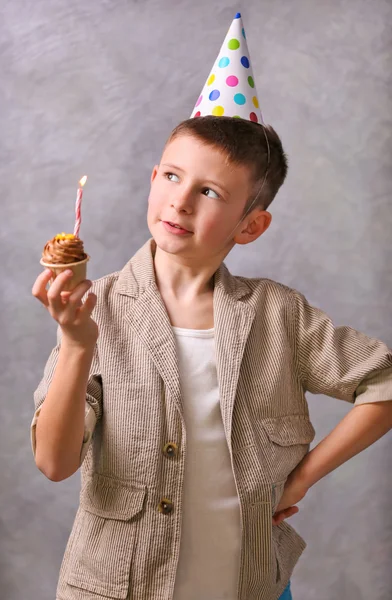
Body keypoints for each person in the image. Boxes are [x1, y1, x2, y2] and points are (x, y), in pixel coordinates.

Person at [31, 13, 392, 600]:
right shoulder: (99, 310)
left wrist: (300, 478)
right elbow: (54, 462)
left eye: (209, 191)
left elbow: (384, 382)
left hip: (249, 586)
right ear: (152, 179)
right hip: (119, 588)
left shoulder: (279, 316)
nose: (180, 201)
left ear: (252, 225)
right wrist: (76, 345)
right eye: (172, 176)